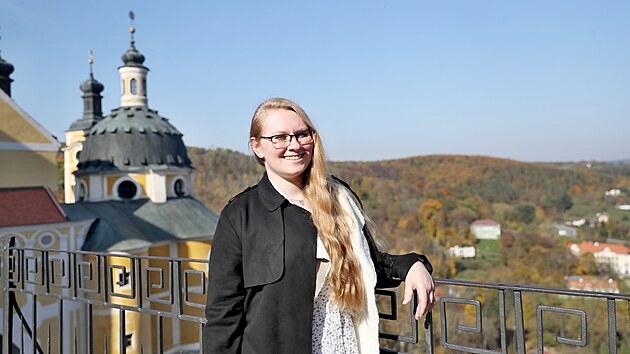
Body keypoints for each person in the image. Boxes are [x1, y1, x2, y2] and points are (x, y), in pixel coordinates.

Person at [203, 98, 434, 353]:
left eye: (302, 134)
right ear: (257, 147)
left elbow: (368, 265)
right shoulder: (239, 216)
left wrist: (411, 265)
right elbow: (223, 316)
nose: (294, 145)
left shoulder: (339, 198)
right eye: (279, 137)